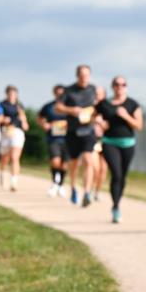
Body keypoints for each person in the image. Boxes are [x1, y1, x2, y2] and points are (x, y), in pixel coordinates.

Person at [96, 76, 143, 223]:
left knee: (122, 176)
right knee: (116, 174)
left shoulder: (132, 104)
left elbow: (139, 126)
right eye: (117, 84)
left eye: (123, 84)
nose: (120, 87)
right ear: (113, 86)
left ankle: (117, 202)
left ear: (126, 86)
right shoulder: (104, 104)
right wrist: (98, 122)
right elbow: (91, 117)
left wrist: (126, 116)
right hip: (109, 142)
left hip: (128, 144)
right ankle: (116, 207)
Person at [56, 64, 98, 207]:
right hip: (73, 131)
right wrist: (71, 110)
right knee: (74, 163)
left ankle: (86, 192)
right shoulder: (68, 91)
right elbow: (58, 107)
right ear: (77, 76)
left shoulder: (93, 90)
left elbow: (99, 106)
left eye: (86, 75)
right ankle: (73, 188)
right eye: (81, 75)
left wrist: (97, 116)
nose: (84, 78)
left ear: (89, 76)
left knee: (88, 160)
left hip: (89, 131)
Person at [38, 85, 70, 197]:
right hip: (53, 138)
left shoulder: (69, 107)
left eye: (62, 94)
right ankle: (55, 182)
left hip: (68, 139)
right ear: (54, 94)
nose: (60, 95)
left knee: (64, 164)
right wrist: (44, 124)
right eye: (58, 93)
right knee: (55, 161)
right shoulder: (48, 106)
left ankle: (60, 185)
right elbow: (40, 118)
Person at [0, 85, 29, 191]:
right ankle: (2, 172)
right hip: (5, 132)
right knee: (5, 158)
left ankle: (13, 181)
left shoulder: (19, 106)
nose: (12, 95)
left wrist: (24, 123)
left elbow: (23, 118)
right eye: (10, 93)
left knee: (15, 157)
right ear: (6, 94)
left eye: (14, 93)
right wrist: (3, 120)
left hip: (17, 132)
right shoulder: (1, 105)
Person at [92, 85, 109, 202]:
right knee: (95, 168)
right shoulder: (90, 108)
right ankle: (89, 188)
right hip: (93, 140)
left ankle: (97, 192)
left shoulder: (108, 109)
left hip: (105, 140)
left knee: (103, 169)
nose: (97, 96)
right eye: (95, 94)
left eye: (99, 94)